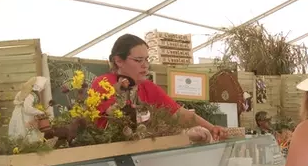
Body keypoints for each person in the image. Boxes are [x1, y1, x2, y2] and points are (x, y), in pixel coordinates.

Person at [91, 34, 226, 141]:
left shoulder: (148, 87)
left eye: (147, 59)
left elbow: (178, 113)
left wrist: (212, 128)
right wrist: (183, 134)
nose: (145, 65)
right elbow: (122, 126)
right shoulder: (104, 84)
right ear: (119, 61)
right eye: (138, 60)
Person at [9, 76, 51, 143]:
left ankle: (32, 144)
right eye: (42, 86)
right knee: (24, 131)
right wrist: (39, 112)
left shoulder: (33, 94)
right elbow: (27, 108)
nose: (43, 88)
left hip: (27, 114)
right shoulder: (30, 95)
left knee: (31, 130)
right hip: (24, 115)